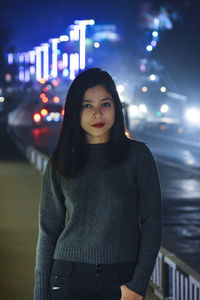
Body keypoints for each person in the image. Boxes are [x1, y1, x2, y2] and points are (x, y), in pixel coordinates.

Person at [34, 68, 163, 300]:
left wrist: (137, 285)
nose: (97, 114)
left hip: (122, 280)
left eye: (105, 104)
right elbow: (48, 230)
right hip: (66, 278)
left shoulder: (138, 156)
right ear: (75, 111)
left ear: (116, 108)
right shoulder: (60, 160)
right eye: (87, 106)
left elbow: (152, 224)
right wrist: (41, 293)